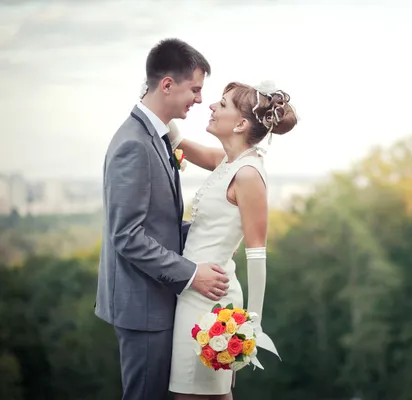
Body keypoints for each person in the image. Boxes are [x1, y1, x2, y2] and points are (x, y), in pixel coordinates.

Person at [95, 38, 231, 400]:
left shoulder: (158, 137)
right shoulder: (133, 144)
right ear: (168, 84)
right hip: (142, 307)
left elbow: (161, 223)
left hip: (156, 299)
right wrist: (191, 274)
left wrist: (213, 236)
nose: (200, 100)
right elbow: (127, 236)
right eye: (195, 89)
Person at [167, 81, 297, 399]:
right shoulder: (228, 162)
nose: (211, 106)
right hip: (193, 292)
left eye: (222, 104)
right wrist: (159, 90)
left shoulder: (249, 174)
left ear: (240, 123)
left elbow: (256, 253)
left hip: (213, 307)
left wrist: (249, 326)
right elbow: (178, 139)